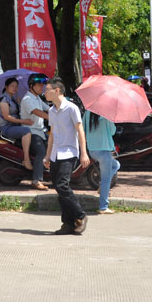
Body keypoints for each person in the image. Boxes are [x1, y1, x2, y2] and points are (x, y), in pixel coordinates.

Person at [43, 78, 90, 235]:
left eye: (47, 90)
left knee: (62, 185)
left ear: (57, 90)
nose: (45, 93)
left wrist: (84, 153)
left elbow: (80, 130)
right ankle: (68, 223)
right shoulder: (51, 111)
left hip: (69, 152)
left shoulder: (71, 108)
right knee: (59, 188)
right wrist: (47, 155)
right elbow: (52, 135)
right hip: (55, 153)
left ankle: (80, 215)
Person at [83, 110, 119, 214]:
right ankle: (103, 207)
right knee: (106, 180)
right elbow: (112, 131)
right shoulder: (107, 114)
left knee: (116, 165)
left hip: (92, 150)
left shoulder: (87, 113)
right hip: (104, 151)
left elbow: (83, 129)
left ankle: (102, 188)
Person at [20, 73, 49, 190]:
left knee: (53, 146)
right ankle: (36, 180)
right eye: (39, 85)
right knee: (41, 152)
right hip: (31, 131)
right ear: (31, 85)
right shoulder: (27, 99)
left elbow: (48, 108)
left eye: (43, 85)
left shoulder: (37, 98)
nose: (42, 87)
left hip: (40, 131)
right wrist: (51, 117)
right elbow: (37, 112)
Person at [0, 78, 34, 170]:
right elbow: (7, 117)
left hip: (15, 126)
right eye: (12, 86)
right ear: (6, 87)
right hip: (7, 127)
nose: (15, 88)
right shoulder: (3, 99)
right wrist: (23, 121)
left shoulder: (12, 99)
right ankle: (26, 159)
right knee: (26, 131)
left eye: (16, 86)